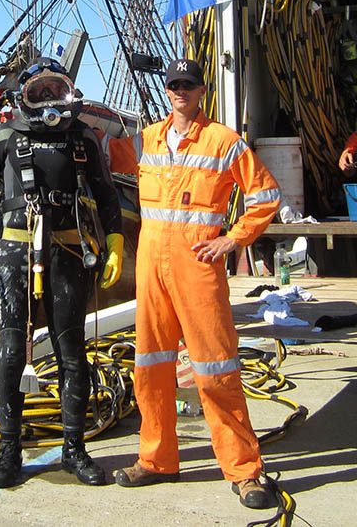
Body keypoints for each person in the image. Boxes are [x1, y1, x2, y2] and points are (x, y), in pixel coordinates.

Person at [107, 57, 282, 511]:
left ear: (201, 89)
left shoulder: (223, 141)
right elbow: (102, 156)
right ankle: (156, 458)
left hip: (197, 267)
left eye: (189, 84)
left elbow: (265, 196)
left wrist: (232, 240)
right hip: (151, 266)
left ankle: (245, 470)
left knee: (215, 368)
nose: (180, 90)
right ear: (167, 91)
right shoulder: (146, 139)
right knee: (150, 365)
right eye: (174, 84)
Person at [0, 58, 125, 489]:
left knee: (72, 350)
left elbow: (106, 193)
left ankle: (75, 449)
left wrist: (115, 243)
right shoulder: (6, 136)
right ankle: (9, 451)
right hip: (15, 251)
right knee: (12, 348)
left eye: (58, 92)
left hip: (68, 251)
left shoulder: (82, 137)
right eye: (40, 93)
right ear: (23, 97)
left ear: (71, 95)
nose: (50, 103)